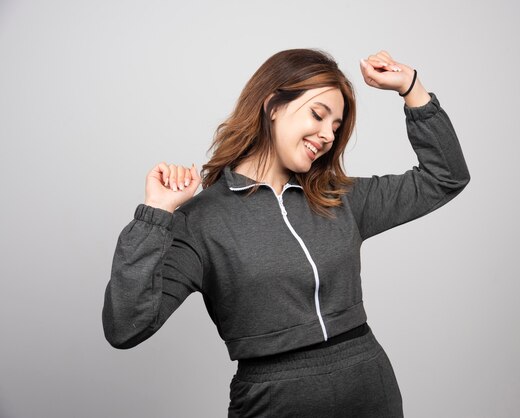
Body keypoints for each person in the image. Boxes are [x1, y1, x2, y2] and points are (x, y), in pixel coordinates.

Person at [102, 48, 470, 417]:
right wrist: (155, 215)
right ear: (273, 104)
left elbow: (445, 177)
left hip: (369, 388)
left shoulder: (340, 199)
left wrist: (411, 87)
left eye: (336, 127)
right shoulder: (200, 221)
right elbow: (126, 327)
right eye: (318, 115)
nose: (327, 135)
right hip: (273, 401)